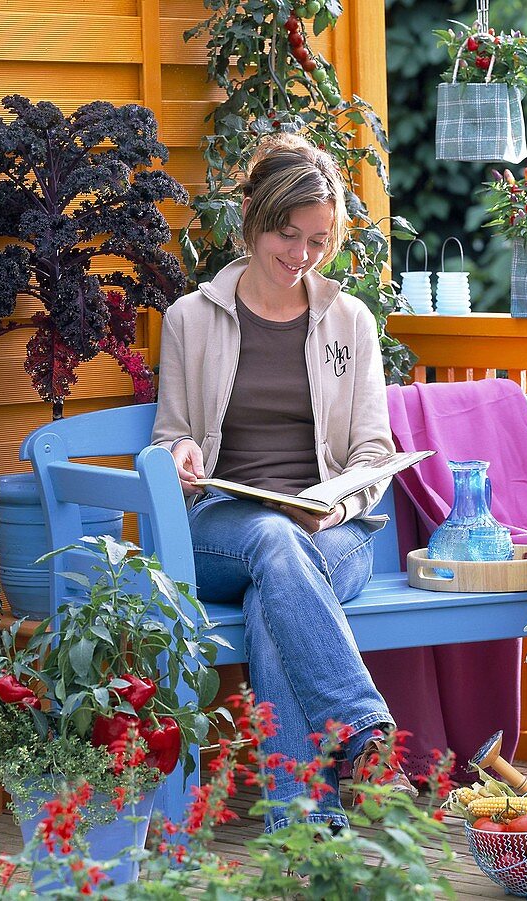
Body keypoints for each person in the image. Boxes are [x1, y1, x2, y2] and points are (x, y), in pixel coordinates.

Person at [151, 132, 414, 832]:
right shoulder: (190, 318)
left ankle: (304, 834)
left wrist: (336, 505)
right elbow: (170, 434)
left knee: (278, 599)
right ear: (252, 219)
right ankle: (363, 728)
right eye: (287, 235)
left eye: (319, 241)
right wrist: (180, 455)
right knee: (272, 540)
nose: (301, 256)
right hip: (225, 525)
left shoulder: (350, 320)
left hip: (333, 533)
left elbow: (372, 453)